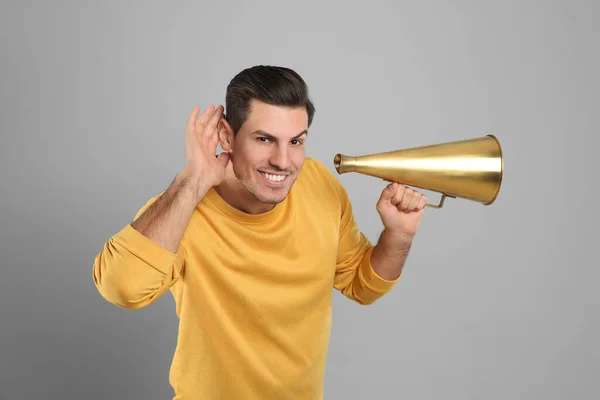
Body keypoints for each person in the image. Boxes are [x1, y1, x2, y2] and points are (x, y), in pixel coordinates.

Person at [92, 65, 428, 400]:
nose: (283, 161)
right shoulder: (182, 210)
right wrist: (192, 180)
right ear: (227, 136)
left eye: (296, 141)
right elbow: (121, 288)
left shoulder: (318, 182)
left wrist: (398, 238)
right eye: (264, 139)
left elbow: (361, 284)